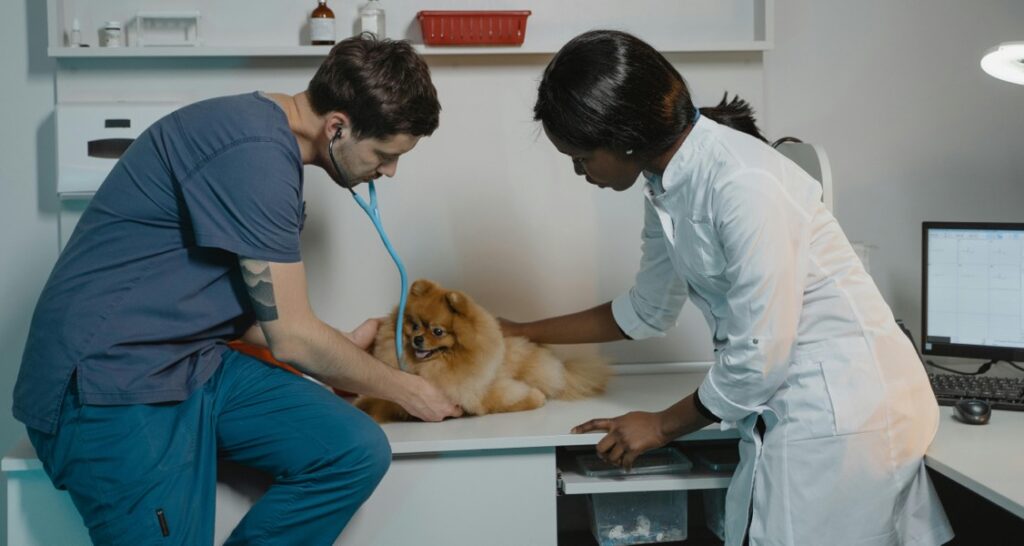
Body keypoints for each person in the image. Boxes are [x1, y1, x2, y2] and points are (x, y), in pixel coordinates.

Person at [502, 30, 954, 545]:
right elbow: (646, 311)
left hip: (844, 410)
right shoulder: (665, 182)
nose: (580, 172)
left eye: (582, 157)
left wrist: (661, 426)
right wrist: (518, 332)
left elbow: (759, 356)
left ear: (624, 136)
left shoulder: (743, 182)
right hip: (788, 405)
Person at [13, 35, 461, 545]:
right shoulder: (255, 154)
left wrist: (338, 350)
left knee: (353, 449)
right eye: (384, 153)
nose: (389, 171)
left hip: (190, 363)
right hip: (108, 384)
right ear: (337, 127)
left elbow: (257, 310)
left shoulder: (266, 146)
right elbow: (293, 336)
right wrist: (410, 390)